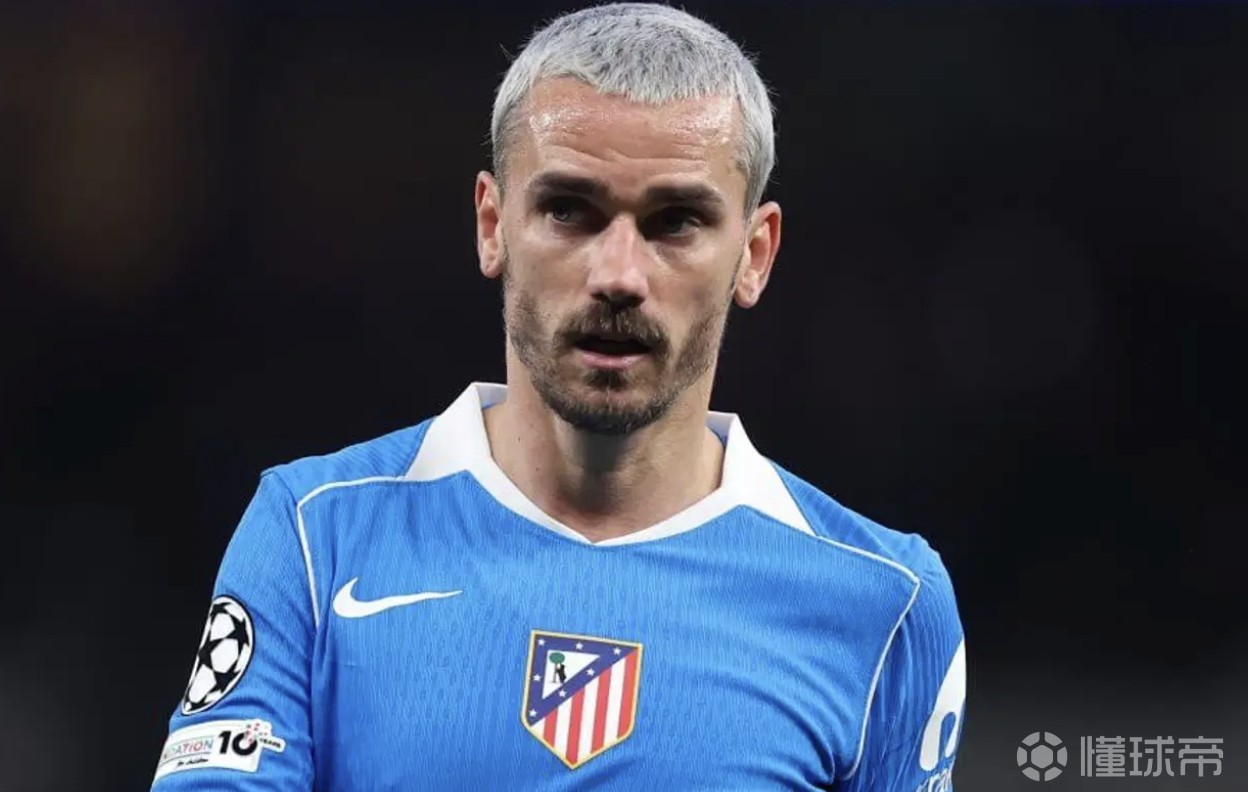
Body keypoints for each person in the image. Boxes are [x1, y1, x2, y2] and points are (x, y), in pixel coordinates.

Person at [150, 3, 966, 790]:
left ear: (755, 254)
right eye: (569, 211)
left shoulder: (887, 604)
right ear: (492, 224)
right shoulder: (314, 535)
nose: (618, 275)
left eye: (676, 221)